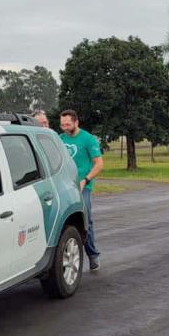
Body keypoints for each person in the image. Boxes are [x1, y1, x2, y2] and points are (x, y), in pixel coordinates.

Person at [59, 110, 103, 271]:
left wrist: (86, 180)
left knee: (86, 220)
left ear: (76, 122)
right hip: (64, 185)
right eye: (62, 124)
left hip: (82, 186)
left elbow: (99, 164)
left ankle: (92, 255)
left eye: (67, 124)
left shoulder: (88, 139)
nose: (64, 127)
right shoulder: (59, 139)